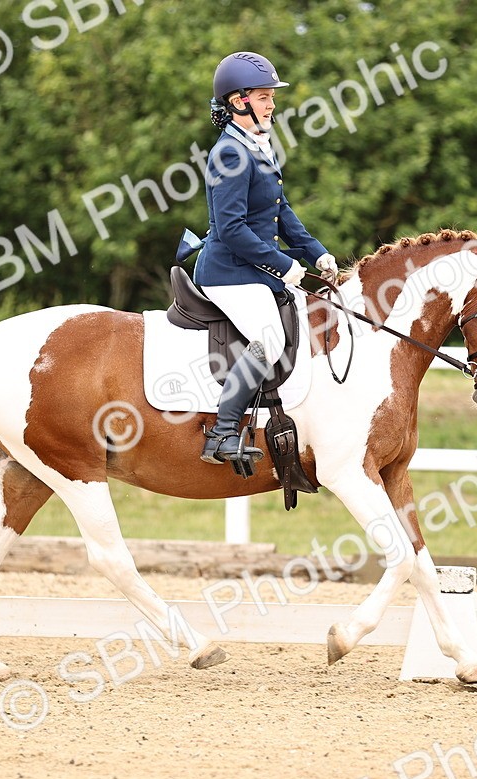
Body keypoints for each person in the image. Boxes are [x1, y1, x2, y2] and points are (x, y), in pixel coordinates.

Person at [194, 51, 338, 468]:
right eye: (263, 97)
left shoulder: (256, 144)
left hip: (253, 267)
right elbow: (233, 229)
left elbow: (282, 211)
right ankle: (222, 434)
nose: (272, 104)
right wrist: (285, 266)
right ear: (238, 101)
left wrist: (316, 252)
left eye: (270, 96)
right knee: (270, 339)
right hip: (228, 272)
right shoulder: (229, 154)